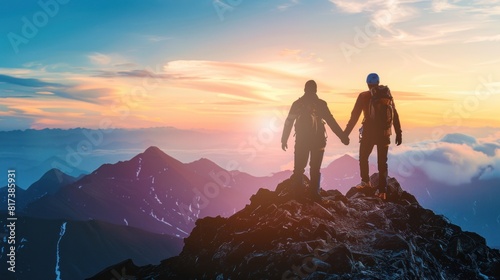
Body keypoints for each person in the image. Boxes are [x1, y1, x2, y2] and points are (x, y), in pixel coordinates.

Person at [281, 80, 349, 201]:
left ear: (304, 89)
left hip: (302, 141)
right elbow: (331, 121)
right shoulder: (321, 104)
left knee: (299, 169)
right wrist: (343, 137)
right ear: (316, 90)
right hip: (318, 141)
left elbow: (289, 122)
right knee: (315, 168)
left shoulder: (297, 104)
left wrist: (284, 139)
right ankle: (314, 194)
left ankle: (298, 195)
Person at [344, 73, 402, 200]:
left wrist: (345, 134)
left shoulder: (364, 96)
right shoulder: (387, 95)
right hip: (385, 133)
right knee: (382, 162)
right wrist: (399, 132)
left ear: (367, 84)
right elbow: (395, 114)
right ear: (378, 82)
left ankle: (365, 182)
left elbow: (354, 117)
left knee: (363, 157)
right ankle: (382, 191)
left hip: (369, 133)